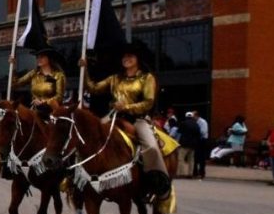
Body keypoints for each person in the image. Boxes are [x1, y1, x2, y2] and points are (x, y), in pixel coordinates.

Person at [80, 40, 170, 202]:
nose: (126, 59)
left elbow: (148, 102)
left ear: (137, 58)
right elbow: (93, 88)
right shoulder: (115, 78)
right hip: (114, 116)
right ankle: (81, 179)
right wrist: (84, 69)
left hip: (138, 119)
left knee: (151, 147)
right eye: (124, 57)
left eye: (130, 56)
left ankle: (157, 184)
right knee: (89, 137)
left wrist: (127, 107)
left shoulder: (146, 78)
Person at [176, 110, 201, 178]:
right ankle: (190, 173)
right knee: (191, 160)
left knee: (181, 158)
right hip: (193, 144)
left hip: (184, 144)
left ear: (186, 116)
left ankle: (182, 173)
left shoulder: (183, 123)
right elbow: (198, 135)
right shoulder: (196, 124)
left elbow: (179, 132)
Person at [193, 111, 210, 179]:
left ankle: (202, 172)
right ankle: (195, 172)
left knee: (201, 157)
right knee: (195, 157)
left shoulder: (203, 122)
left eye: (193, 116)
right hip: (197, 140)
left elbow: (203, 131)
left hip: (202, 140)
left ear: (196, 116)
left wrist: (196, 131)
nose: (192, 117)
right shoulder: (195, 122)